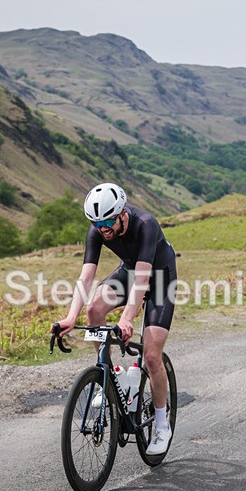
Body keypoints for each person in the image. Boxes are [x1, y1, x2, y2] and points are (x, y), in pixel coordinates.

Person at [54, 182, 178, 455]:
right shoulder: (98, 230)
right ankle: (108, 378)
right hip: (129, 272)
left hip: (159, 278)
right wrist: (70, 317)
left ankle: (161, 424)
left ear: (122, 213)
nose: (104, 229)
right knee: (94, 310)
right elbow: (86, 277)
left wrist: (126, 319)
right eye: (97, 223)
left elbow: (144, 280)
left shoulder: (146, 224)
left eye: (109, 220)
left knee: (152, 357)